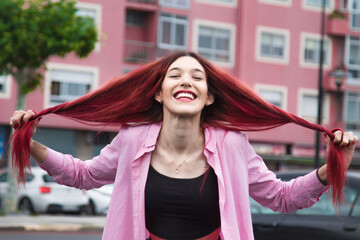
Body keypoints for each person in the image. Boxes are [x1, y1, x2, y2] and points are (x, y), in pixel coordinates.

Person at [9, 52, 358, 240]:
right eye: (174, 75)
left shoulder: (232, 144)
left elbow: (281, 198)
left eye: (197, 77)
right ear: (159, 93)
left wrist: (333, 168)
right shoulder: (132, 139)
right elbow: (83, 175)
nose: (186, 81)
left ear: (208, 97)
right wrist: (31, 143)